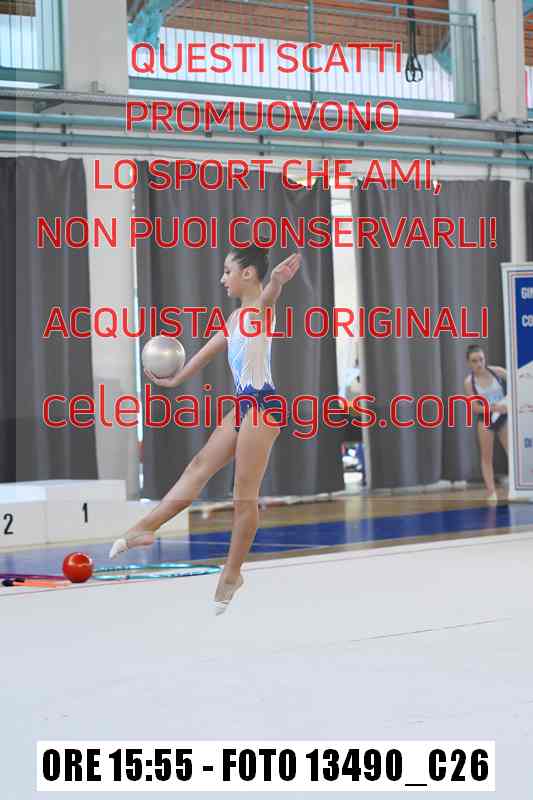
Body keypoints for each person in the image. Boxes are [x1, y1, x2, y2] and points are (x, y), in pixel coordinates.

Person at [109, 246, 301, 614]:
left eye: (228, 271)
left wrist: (276, 281)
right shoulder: (235, 319)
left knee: (243, 495)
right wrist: (175, 378)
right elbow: (205, 354)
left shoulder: (260, 311)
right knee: (198, 465)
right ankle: (145, 528)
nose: (222, 278)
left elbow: (269, 297)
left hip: (263, 405)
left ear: (248, 274)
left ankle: (232, 573)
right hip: (243, 404)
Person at [463, 345, 508, 502]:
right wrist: (493, 408)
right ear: (469, 363)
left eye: (481, 359)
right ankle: (491, 492)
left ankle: (521, 486)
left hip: (503, 417)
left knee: (512, 452)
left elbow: (518, 381)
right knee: (486, 456)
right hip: (486, 419)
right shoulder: (469, 382)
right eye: (474, 361)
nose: (479, 364)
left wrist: (507, 403)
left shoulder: (497, 371)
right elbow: (475, 408)